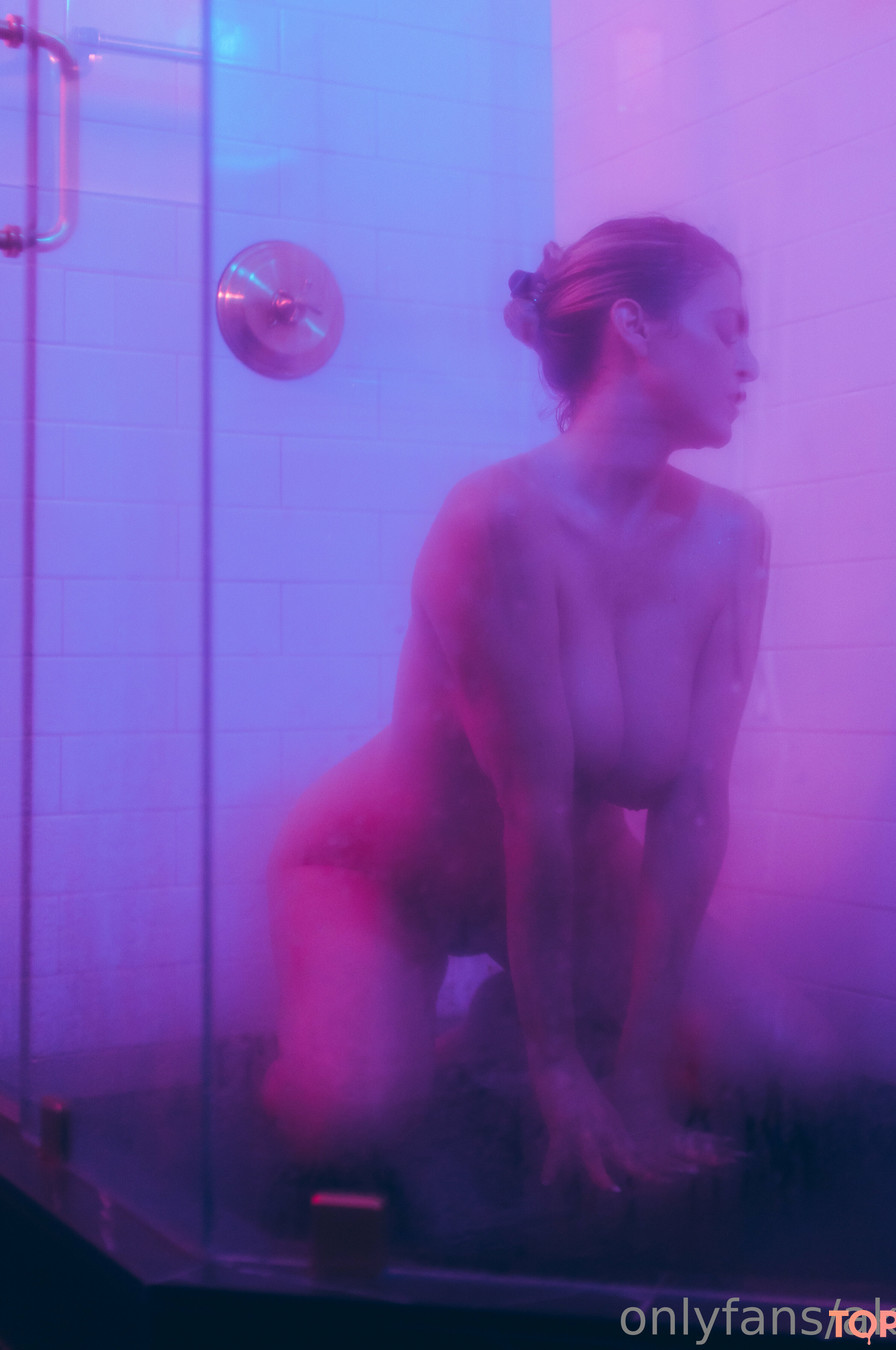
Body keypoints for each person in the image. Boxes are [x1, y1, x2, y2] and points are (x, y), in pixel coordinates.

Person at [261, 215, 769, 1193]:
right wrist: (561, 1071)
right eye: (727, 328)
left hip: (564, 883)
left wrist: (639, 1083)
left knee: (774, 1069)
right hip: (384, 869)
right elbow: (528, 808)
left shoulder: (734, 538)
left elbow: (696, 805)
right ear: (636, 327)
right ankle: (379, 1038)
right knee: (353, 1121)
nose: (751, 364)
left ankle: (495, 1031)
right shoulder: (498, 516)